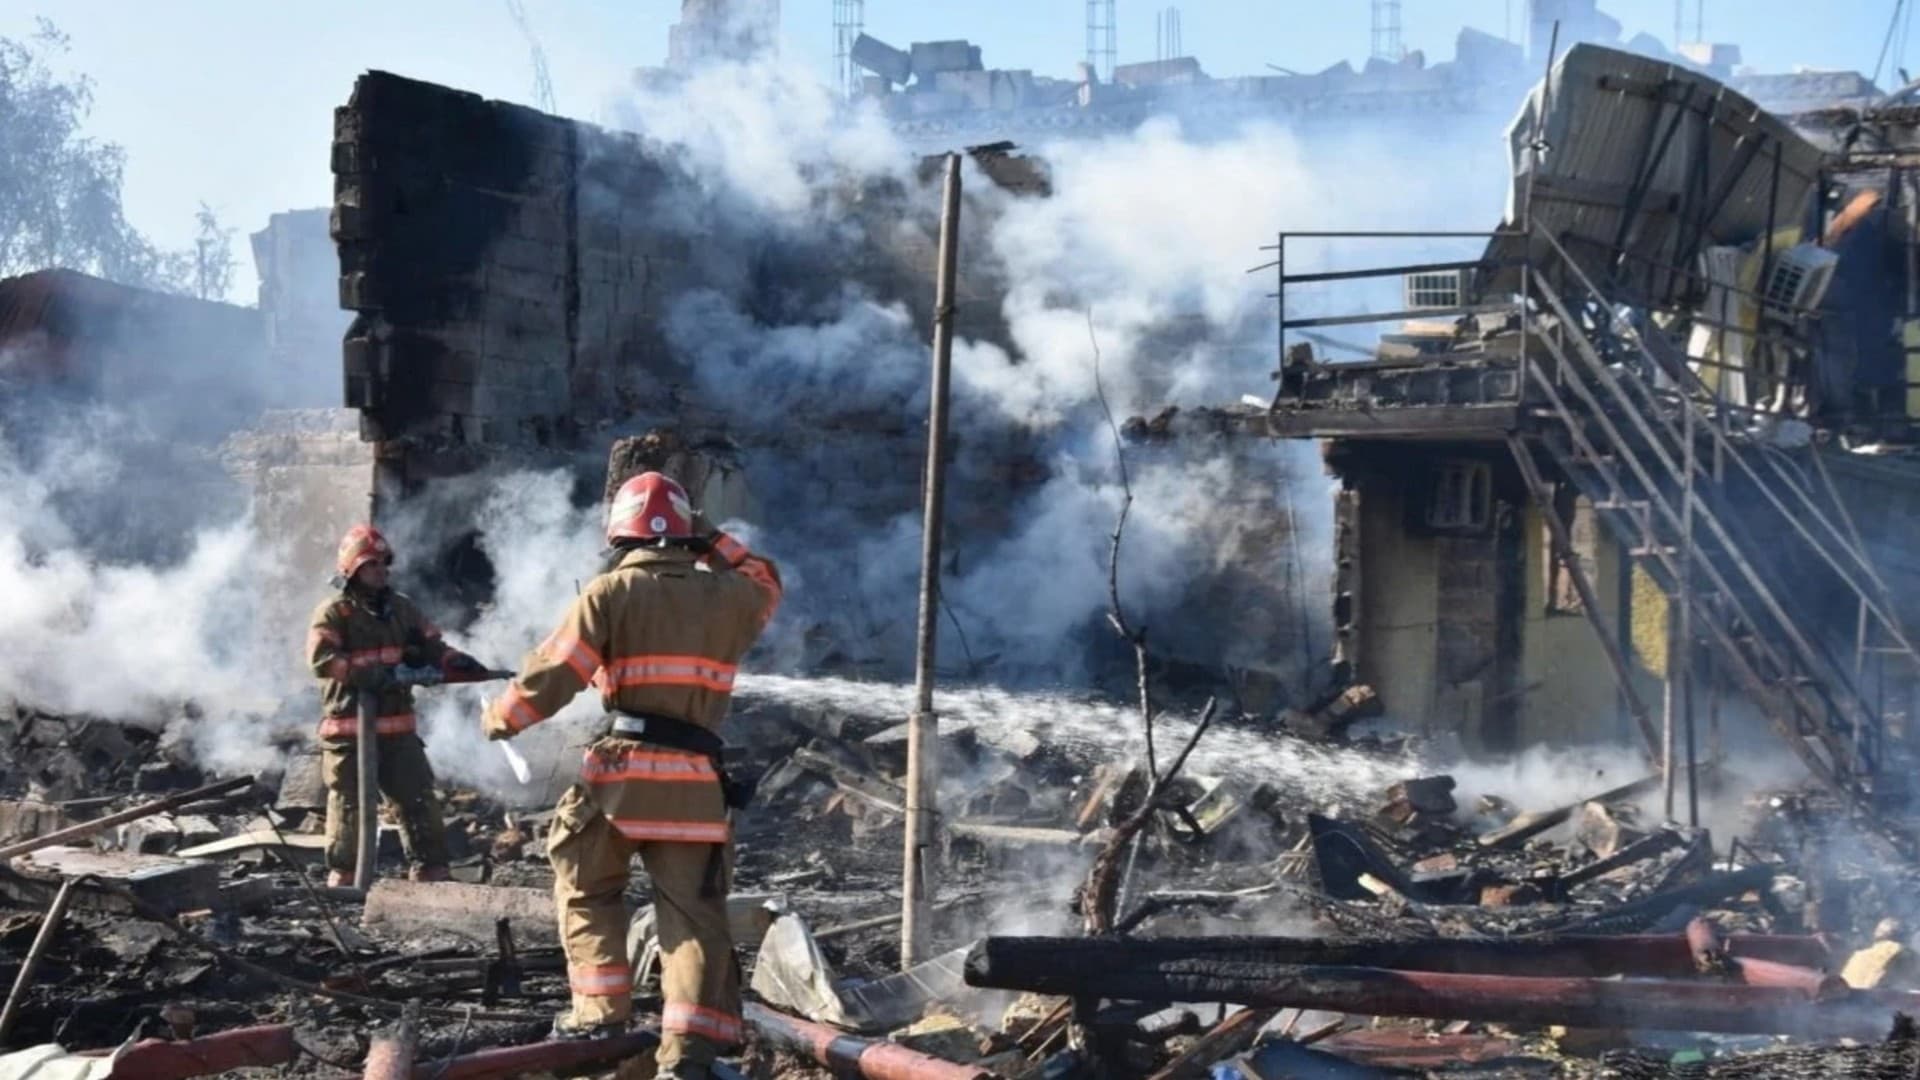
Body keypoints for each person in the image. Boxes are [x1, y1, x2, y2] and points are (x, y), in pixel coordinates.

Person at [484, 472, 781, 1079]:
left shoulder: (609, 591)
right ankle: (688, 1058)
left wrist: (500, 718)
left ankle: (600, 1018)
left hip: (621, 777)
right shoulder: (729, 595)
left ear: (619, 532)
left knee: (588, 886)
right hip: (696, 786)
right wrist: (709, 538)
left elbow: (554, 674)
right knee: (693, 918)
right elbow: (766, 578)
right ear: (686, 532)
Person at [306, 523, 481, 887]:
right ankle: (346, 879)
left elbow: (433, 645)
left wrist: (454, 661)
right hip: (350, 730)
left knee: (418, 799)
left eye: (384, 564)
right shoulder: (334, 612)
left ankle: (431, 874)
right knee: (351, 807)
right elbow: (322, 659)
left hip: (397, 728)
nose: (381, 571)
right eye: (372, 564)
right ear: (352, 569)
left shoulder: (402, 608)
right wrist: (364, 675)